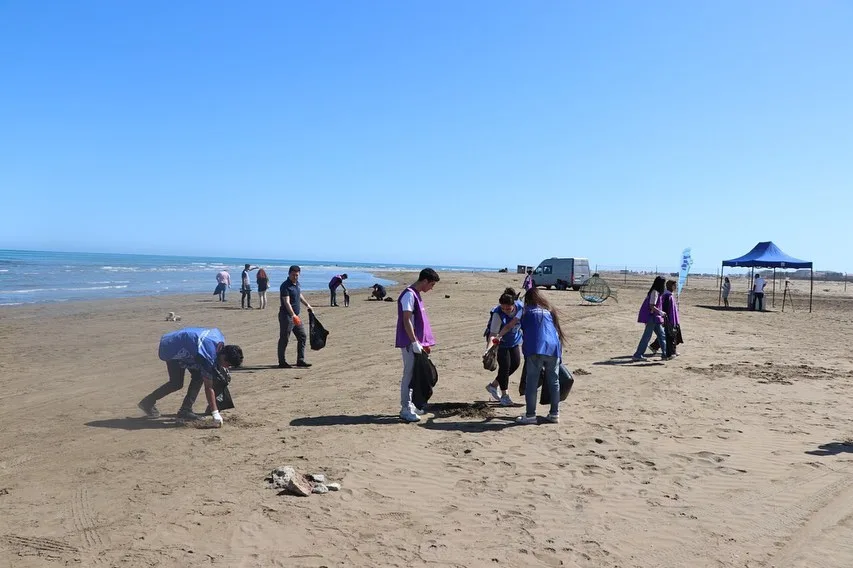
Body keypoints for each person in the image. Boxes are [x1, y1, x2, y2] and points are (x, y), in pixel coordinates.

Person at [138, 327, 244, 424]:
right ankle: (148, 402)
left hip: (181, 340)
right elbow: (209, 387)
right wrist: (215, 413)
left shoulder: (219, 340)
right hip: (171, 347)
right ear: (224, 356)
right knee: (176, 383)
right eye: (228, 365)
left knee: (197, 376)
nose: (228, 367)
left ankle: (185, 409)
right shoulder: (207, 355)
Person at [493, 286, 566, 424]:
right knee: (554, 382)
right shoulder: (549, 310)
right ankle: (554, 414)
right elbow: (556, 331)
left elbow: (509, 326)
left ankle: (530, 415)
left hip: (535, 348)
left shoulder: (525, 311)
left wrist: (498, 336)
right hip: (554, 348)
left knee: (531, 383)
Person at [395, 268, 440, 422]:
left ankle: (412, 405)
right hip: (409, 342)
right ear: (425, 281)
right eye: (432, 284)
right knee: (409, 374)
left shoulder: (417, 295)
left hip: (417, 343)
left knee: (417, 374)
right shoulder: (409, 295)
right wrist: (414, 342)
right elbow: (406, 319)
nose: (431, 288)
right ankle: (405, 408)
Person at [485, 287, 523, 407]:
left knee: (515, 364)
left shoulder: (520, 307)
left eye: (508, 308)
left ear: (513, 305)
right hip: (499, 342)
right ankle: (505, 396)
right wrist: (488, 349)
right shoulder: (497, 313)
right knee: (505, 367)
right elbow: (493, 334)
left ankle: (493, 385)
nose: (505, 310)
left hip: (514, 340)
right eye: (503, 308)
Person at [278, 265, 314, 368]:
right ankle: (282, 362)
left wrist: (307, 305)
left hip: (295, 316)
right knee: (284, 338)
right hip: (286, 316)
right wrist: (293, 315)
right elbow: (286, 302)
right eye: (293, 275)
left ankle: (300, 360)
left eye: (297, 275)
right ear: (289, 274)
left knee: (302, 336)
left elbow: (299, 295)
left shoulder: (297, 284)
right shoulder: (285, 286)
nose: (295, 277)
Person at [632, 276, 668, 362]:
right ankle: (638, 354)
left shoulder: (656, 292)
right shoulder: (654, 292)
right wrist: (661, 312)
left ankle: (666, 354)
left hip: (655, 318)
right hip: (652, 318)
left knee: (662, 335)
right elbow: (652, 306)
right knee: (647, 336)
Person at [650, 280, 681, 357]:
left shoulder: (670, 295)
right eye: (674, 285)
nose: (676, 287)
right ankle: (670, 351)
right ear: (671, 286)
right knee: (670, 335)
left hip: (674, 319)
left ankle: (655, 347)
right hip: (670, 320)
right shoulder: (667, 296)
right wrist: (666, 319)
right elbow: (665, 309)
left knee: (670, 335)